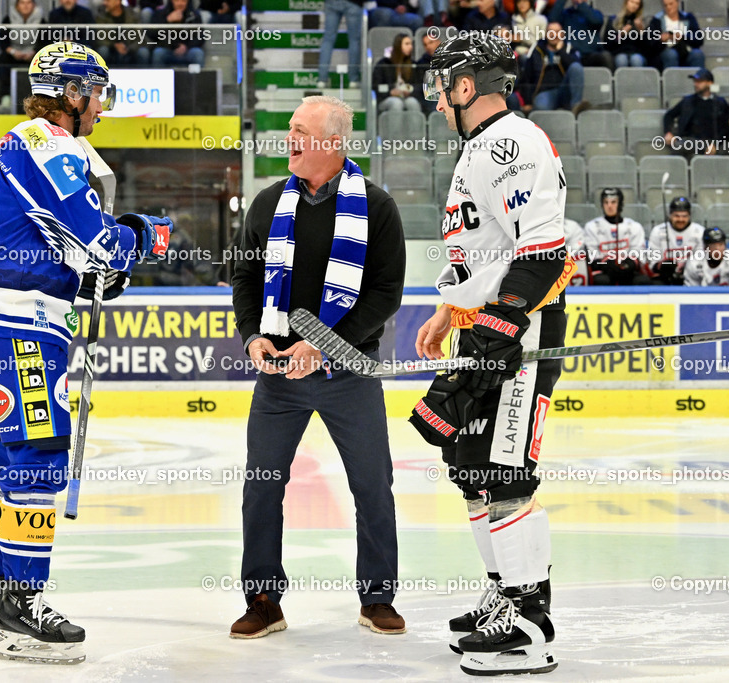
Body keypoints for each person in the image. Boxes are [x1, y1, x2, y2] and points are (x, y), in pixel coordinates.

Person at [0, 42, 172, 664]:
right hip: (14, 322)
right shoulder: (48, 144)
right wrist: (146, 233)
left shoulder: (26, 145)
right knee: (41, 448)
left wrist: (97, 265)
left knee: (8, 454)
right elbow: (102, 245)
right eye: (95, 93)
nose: (100, 105)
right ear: (72, 93)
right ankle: (23, 607)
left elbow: (69, 249)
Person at [416, 33, 570, 676]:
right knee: (471, 469)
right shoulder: (478, 148)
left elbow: (542, 253)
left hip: (520, 330)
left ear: (467, 85)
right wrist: (450, 310)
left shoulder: (512, 143)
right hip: (485, 326)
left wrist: (498, 328)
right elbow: (484, 252)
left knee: (507, 476)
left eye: (442, 81)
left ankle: (530, 621)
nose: (435, 93)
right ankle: (503, 593)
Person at [229, 95, 406, 640]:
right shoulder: (265, 204)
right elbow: (244, 279)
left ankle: (377, 598)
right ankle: (263, 601)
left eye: (300, 130)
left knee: (372, 485)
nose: (289, 137)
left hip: (347, 373)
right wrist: (253, 335)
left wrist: (325, 346)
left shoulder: (376, 208)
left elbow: (385, 294)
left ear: (331, 142)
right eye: (289, 128)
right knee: (261, 486)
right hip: (279, 375)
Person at [582, 188, 650, 285]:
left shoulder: (634, 226)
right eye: (606, 202)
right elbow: (592, 256)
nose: (609, 206)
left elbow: (639, 253)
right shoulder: (592, 226)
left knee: (643, 281)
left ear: (620, 204)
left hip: (628, 270)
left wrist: (629, 263)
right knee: (601, 281)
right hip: (604, 271)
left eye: (613, 202)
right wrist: (607, 263)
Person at [663, 69, 729, 158]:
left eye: (699, 82)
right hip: (692, 140)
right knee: (680, 145)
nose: (696, 84)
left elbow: (726, 127)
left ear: (709, 83)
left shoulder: (720, 103)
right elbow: (669, 115)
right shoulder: (688, 101)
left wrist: (715, 144)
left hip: (714, 141)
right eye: (695, 82)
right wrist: (668, 132)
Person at [520, 23, 587, 114]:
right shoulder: (537, 50)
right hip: (545, 92)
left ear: (562, 34)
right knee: (540, 106)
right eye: (551, 32)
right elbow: (527, 77)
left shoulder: (569, 49)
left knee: (576, 67)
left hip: (565, 90)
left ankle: (576, 108)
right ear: (546, 34)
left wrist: (561, 52)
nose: (554, 35)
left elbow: (577, 70)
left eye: (557, 32)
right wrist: (527, 101)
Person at [646, 196, 705, 284]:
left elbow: (701, 261)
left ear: (689, 215)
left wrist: (685, 267)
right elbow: (652, 262)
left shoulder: (700, 231)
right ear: (670, 215)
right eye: (676, 216)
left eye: (684, 216)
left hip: (692, 277)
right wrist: (663, 265)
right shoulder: (658, 231)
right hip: (665, 277)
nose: (680, 219)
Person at [0, 0, 43, 103]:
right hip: (13, 55)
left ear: (33, 5)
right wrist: (13, 52)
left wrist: (33, 53)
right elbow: (3, 42)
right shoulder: (7, 20)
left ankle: (40, 96)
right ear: (17, 6)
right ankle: (6, 96)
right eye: (22, 3)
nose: (25, 6)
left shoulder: (42, 21)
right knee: (2, 59)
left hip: (33, 55)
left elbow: (44, 42)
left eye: (28, 3)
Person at [550, 0, 610, 70]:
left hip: (590, 55)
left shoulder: (594, 13)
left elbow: (596, 21)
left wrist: (580, 4)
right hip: (570, 55)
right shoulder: (566, 14)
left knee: (606, 57)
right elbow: (552, 22)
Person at [646, 0, 704, 71]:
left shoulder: (688, 17)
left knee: (697, 54)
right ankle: (671, 80)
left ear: (678, 3)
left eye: (671, 4)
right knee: (671, 54)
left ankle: (700, 80)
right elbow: (649, 44)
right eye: (665, 5)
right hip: (665, 52)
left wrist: (683, 37)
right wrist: (660, 40)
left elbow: (699, 39)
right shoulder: (657, 20)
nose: (668, 7)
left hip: (686, 51)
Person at [373, 32, 422, 113]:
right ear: (398, 46)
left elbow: (419, 85)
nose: (410, 47)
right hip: (386, 98)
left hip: (407, 97)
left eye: (411, 44)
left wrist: (410, 91)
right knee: (396, 103)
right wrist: (390, 92)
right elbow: (376, 86)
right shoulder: (384, 64)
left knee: (412, 103)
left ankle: (416, 126)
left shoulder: (413, 65)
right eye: (407, 44)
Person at [318, 0, 363, 87]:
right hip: (353, 3)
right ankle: (353, 80)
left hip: (332, 2)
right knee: (354, 41)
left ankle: (322, 79)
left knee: (328, 40)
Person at [150, 0, 205, 68]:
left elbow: (200, 37)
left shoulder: (194, 15)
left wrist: (186, 46)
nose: (180, 4)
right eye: (177, 1)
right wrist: (167, 21)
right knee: (158, 53)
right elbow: (152, 34)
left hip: (187, 50)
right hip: (168, 50)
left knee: (197, 53)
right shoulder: (160, 13)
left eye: (183, 1)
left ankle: (197, 78)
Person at [96, 0, 148, 67]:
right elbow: (99, 38)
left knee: (143, 52)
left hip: (130, 49)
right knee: (103, 50)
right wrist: (114, 45)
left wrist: (128, 48)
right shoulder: (101, 16)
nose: (104, 3)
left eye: (108, 1)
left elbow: (140, 38)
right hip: (111, 49)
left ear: (118, 2)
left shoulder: (132, 15)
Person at [605, 0, 647, 69]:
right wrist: (620, 35)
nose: (634, 6)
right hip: (618, 53)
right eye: (632, 2)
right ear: (626, 2)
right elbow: (607, 44)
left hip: (637, 53)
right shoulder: (614, 20)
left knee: (636, 60)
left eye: (637, 4)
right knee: (621, 59)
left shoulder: (642, 22)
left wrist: (642, 32)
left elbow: (648, 47)